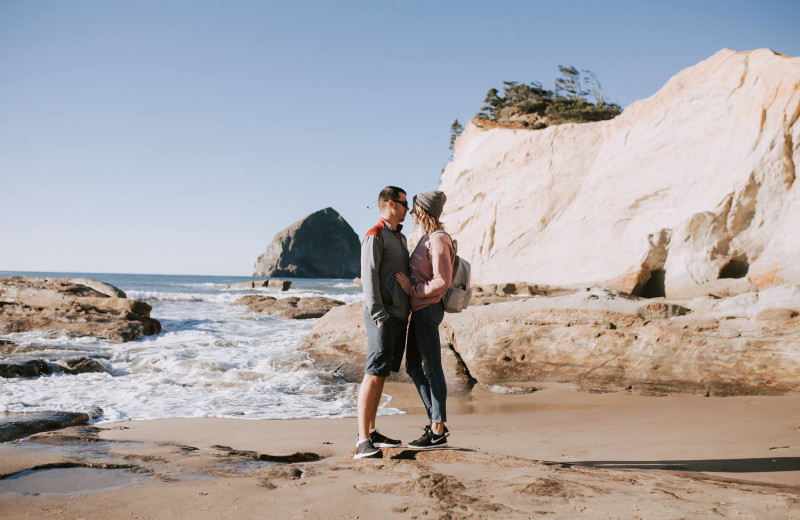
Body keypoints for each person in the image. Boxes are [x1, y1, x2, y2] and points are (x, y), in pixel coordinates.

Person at [354, 186, 411, 459]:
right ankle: (362, 440)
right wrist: (380, 316)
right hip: (383, 317)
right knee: (373, 374)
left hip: (398, 316)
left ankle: (373, 430)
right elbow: (369, 279)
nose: (408, 208)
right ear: (390, 204)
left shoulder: (399, 238)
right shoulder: (375, 236)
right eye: (403, 203)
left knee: (382, 376)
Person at [395, 190, 454, 449]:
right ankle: (435, 422)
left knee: (432, 369)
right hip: (419, 309)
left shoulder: (439, 239)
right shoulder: (427, 237)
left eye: (415, 207)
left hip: (428, 308)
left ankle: (437, 430)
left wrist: (411, 290)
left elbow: (443, 281)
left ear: (424, 210)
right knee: (412, 367)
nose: (410, 212)